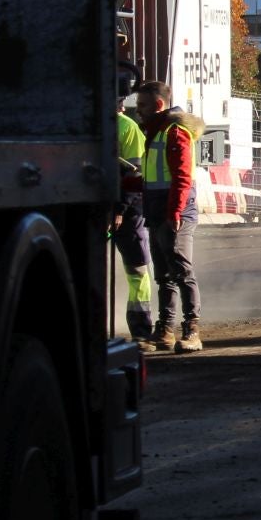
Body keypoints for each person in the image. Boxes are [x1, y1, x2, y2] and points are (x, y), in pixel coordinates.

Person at [136, 80, 205, 354]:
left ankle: (191, 330)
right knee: (164, 274)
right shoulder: (157, 131)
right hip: (158, 212)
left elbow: (181, 176)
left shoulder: (174, 132)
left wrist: (174, 212)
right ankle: (165, 330)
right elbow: (153, 178)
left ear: (158, 105)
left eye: (142, 105)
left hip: (174, 214)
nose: (137, 111)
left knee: (181, 271)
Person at [112, 100, 153, 342]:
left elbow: (134, 173)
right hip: (122, 210)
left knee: (136, 269)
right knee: (136, 269)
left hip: (127, 211)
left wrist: (118, 210)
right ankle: (140, 328)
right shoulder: (127, 127)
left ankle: (141, 328)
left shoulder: (126, 128)